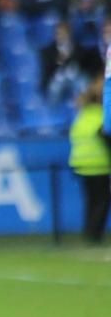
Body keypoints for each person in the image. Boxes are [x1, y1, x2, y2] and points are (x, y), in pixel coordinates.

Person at [69, 78, 109, 244]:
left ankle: (89, 233)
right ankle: (95, 235)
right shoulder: (102, 117)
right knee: (102, 202)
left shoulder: (82, 117)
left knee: (91, 201)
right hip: (100, 166)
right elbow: (106, 138)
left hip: (82, 166)